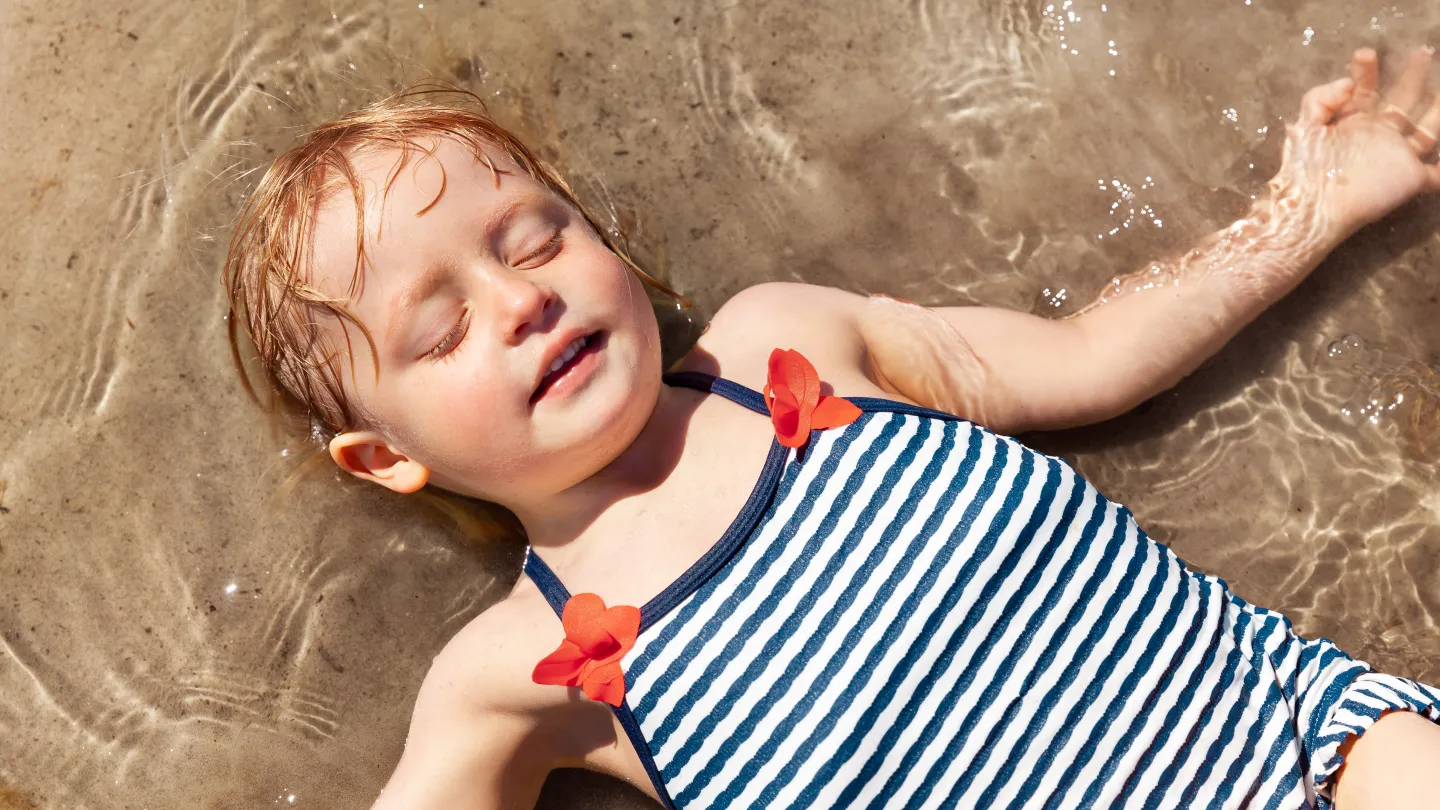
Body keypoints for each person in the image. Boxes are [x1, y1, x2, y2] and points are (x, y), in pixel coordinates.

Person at [223, 45, 1440, 809]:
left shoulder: (783, 345)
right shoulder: (512, 674)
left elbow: (1090, 358)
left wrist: (1309, 210)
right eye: (439, 331)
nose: (523, 299)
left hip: (1314, 745)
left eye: (536, 237)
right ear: (387, 457)